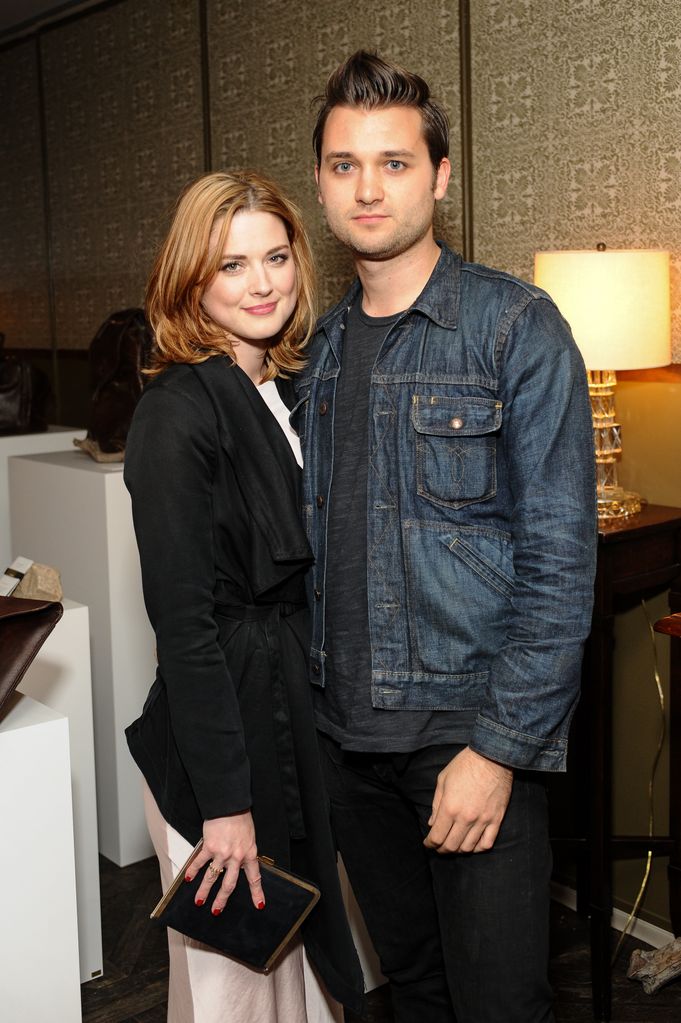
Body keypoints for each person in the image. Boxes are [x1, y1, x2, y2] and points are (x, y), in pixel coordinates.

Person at [293, 51, 598, 1023]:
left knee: (501, 1003)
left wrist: (498, 750)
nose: (368, 186)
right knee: (416, 995)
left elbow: (559, 562)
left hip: (465, 742)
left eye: (393, 161)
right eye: (345, 164)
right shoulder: (322, 350)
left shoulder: (516, 327)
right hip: (350, 747)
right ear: (321, 183)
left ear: (440, 176)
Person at [124, 170, 364, 1023]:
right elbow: (183, 629)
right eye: (231, 265)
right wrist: (226, 804)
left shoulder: (291, 389)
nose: (261, 283)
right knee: (234, 994)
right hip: (218, 746)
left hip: (291, 720)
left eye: (275, 257)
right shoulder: (176, 412)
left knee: (301, 988)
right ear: (191, 279)